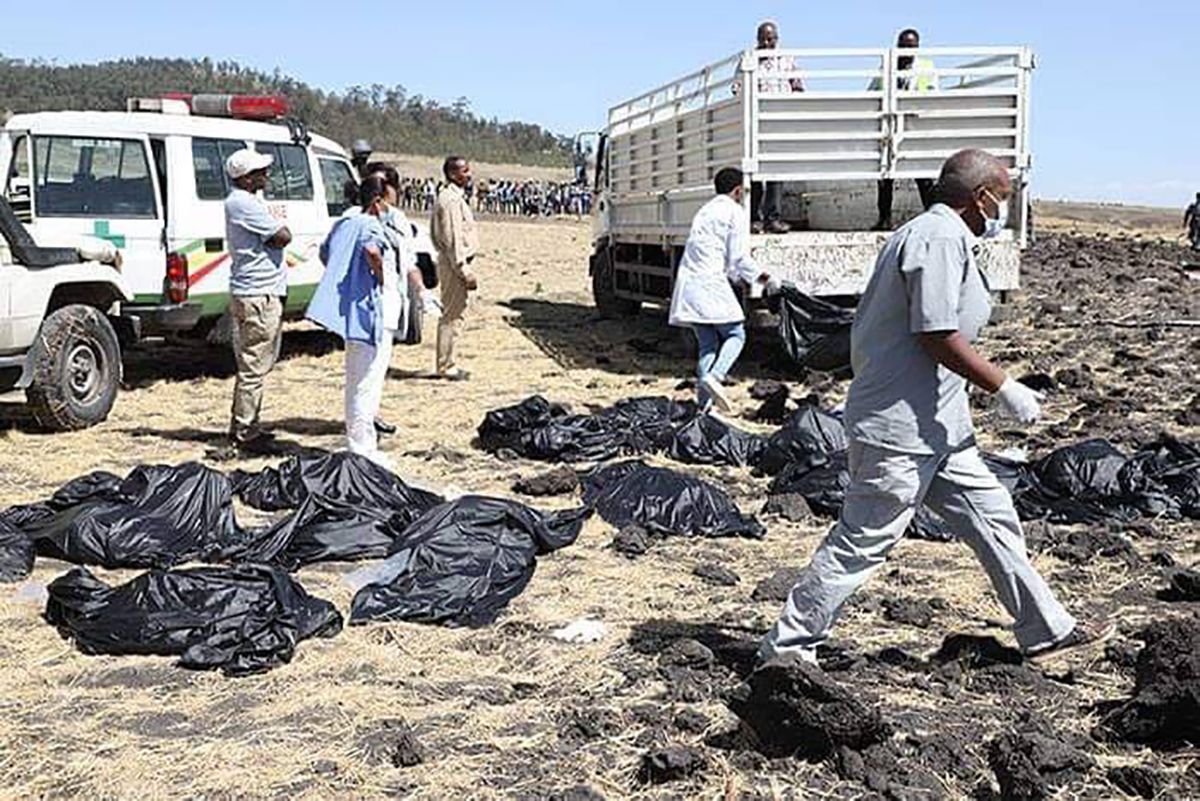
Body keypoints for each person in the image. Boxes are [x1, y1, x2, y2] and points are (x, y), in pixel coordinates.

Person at [759, 149, 1112, 667]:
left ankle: (1046, 628)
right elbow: (936, 333)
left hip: (941, 426)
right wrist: (1004, 385)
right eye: (1003, 200)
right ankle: (787, 647)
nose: (1004, 212)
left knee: (993, 517)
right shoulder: (938, 238)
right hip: (899, 428)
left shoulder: (942, 236)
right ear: (981, 197)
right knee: (863, 539)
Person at [669, 166, 779, 413]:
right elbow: (739, 258)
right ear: (738, 190)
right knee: (736, 334)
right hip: (709, 282)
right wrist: (766, 279)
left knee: (708, 344)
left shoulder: (706, 210)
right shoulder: (735, 212)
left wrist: (735, 275)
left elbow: (723, 257)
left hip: (690, 283)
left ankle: (703, 407)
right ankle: (716, 376)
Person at [306, 175, 396, 467]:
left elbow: (325, 253)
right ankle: (363, 448)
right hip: (366, 310)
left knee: (355, 377)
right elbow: (372, 251)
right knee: (367, 380)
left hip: (349, 310)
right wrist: (379, 276)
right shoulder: (370, 224)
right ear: (376, 200)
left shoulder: (344, 224)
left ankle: (359, 441)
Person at [222, 148, 292, 456]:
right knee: (253, 365)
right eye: (260, 172)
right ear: (247, 178)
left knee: (255, 361)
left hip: (253, 290)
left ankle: (247, 423)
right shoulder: (243, 204)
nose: (266, 175)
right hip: (258, 294)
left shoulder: (245, 202)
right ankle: (245, 429)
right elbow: (283, 235)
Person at [872, 29, 938, 230]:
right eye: (904, 45)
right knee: (885, 176)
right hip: (891, 128)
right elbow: (873, 91)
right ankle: (884, 219)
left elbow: (934, 95)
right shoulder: (887, 66)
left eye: (911, 46)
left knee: (923, 177)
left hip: (914, 129)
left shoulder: (927, 68)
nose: (907, 50)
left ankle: (934, 217)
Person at [431, 156, 479, 380]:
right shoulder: (450, 200)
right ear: (452, 174)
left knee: (454, 314)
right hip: (453, 264)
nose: (468, 175)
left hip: (452, 262)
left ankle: (448, 362)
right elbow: (453, 239)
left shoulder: (453, 198)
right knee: (451, 316)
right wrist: (463, 270)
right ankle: (446, 365)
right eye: (464, 171)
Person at [752, 20, 802, 234]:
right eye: (762, 38)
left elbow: (798, 87)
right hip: (756, 121)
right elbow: (737, 89)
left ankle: (773, 219)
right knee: (754, 174)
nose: (766, 42)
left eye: (770, 39)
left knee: (776, 173)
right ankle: (754, 218)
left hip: (779, 121)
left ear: (776, 39)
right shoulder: (750, 60)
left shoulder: (787, 59)